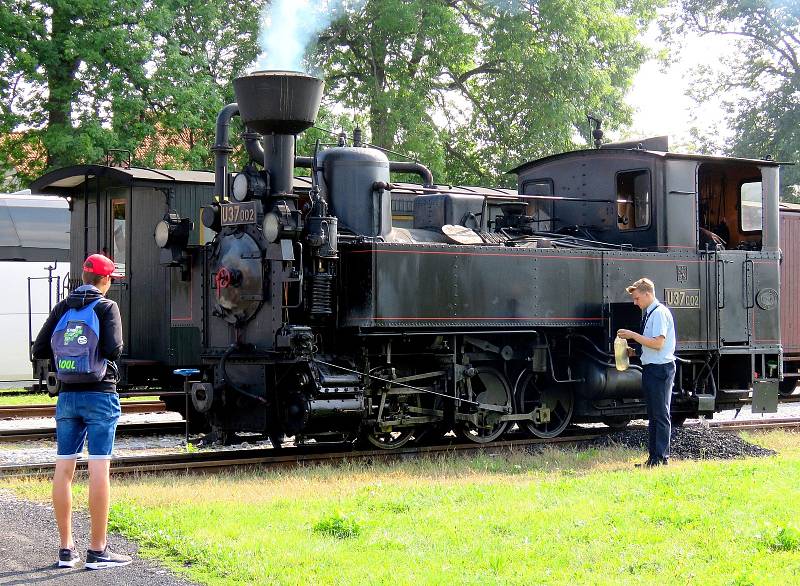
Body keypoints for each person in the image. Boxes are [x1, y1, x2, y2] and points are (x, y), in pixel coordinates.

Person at [32, 253, 132, 569]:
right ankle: (97, 551)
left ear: (83, 277)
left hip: (67, 397)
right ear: (106, 280)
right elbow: (113, 349)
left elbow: (39, 348)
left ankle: (65, 551)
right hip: (100, 395)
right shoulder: (106, 307)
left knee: (64, 470)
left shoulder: (64, 307)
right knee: (99, 467)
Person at [617, 277, 677, 467]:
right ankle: (654, 458)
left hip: (660, 369)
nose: (635, 303)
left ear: (648, 294)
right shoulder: (650, 313)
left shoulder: (658, 313)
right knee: (654, 414)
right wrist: (634, 351)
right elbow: (652, 344)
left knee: (660, 414)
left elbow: (658, 343)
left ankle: (661, 458)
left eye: (637, 298)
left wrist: (633, 335)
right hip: (653, 368)